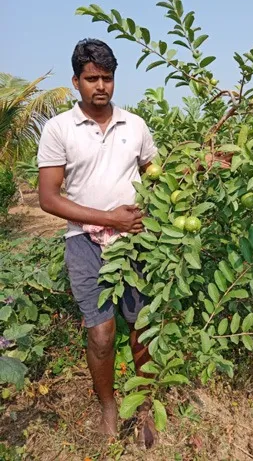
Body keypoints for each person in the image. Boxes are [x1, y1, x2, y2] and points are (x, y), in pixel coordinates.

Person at [37, 39, 158, 447]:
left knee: (141, 327)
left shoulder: (135, 125)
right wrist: (109, 218)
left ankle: (144, 406)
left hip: (135, 241)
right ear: (76, 81)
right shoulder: (59, 129)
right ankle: (107, 405)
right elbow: (48, 198)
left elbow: (157, 174)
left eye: (107, 77)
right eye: (92, 79)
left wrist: (201, 166)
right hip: (84, 241)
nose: (101, 86)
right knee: (101, 333)